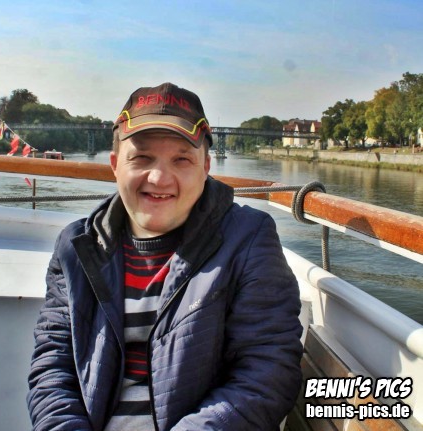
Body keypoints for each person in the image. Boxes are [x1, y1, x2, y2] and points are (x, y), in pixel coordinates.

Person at [27, 82, 303, 431]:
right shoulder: (76, 248)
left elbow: (267, 372)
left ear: (205, 167)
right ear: (115, 164)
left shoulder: (247, 240)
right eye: (141, 158)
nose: (159, 178)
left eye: (181, 159)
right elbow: (52, 368)